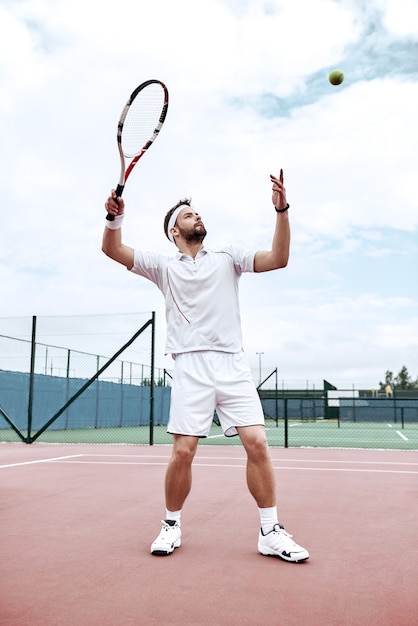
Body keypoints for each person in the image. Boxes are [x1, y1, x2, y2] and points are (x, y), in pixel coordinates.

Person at [102, 170, 309, 563]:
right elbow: (113, 250)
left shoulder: (228, 257)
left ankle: (270, 531)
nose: (196, 217)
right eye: (187, 215)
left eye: (197, 213)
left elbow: (279, 259)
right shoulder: (163, 266)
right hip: (190, 368)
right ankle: (171, 524)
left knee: (259, 443)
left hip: (232, 364)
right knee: (183, 452)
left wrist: (281, 210)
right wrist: (114, 219)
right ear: (174, 232)